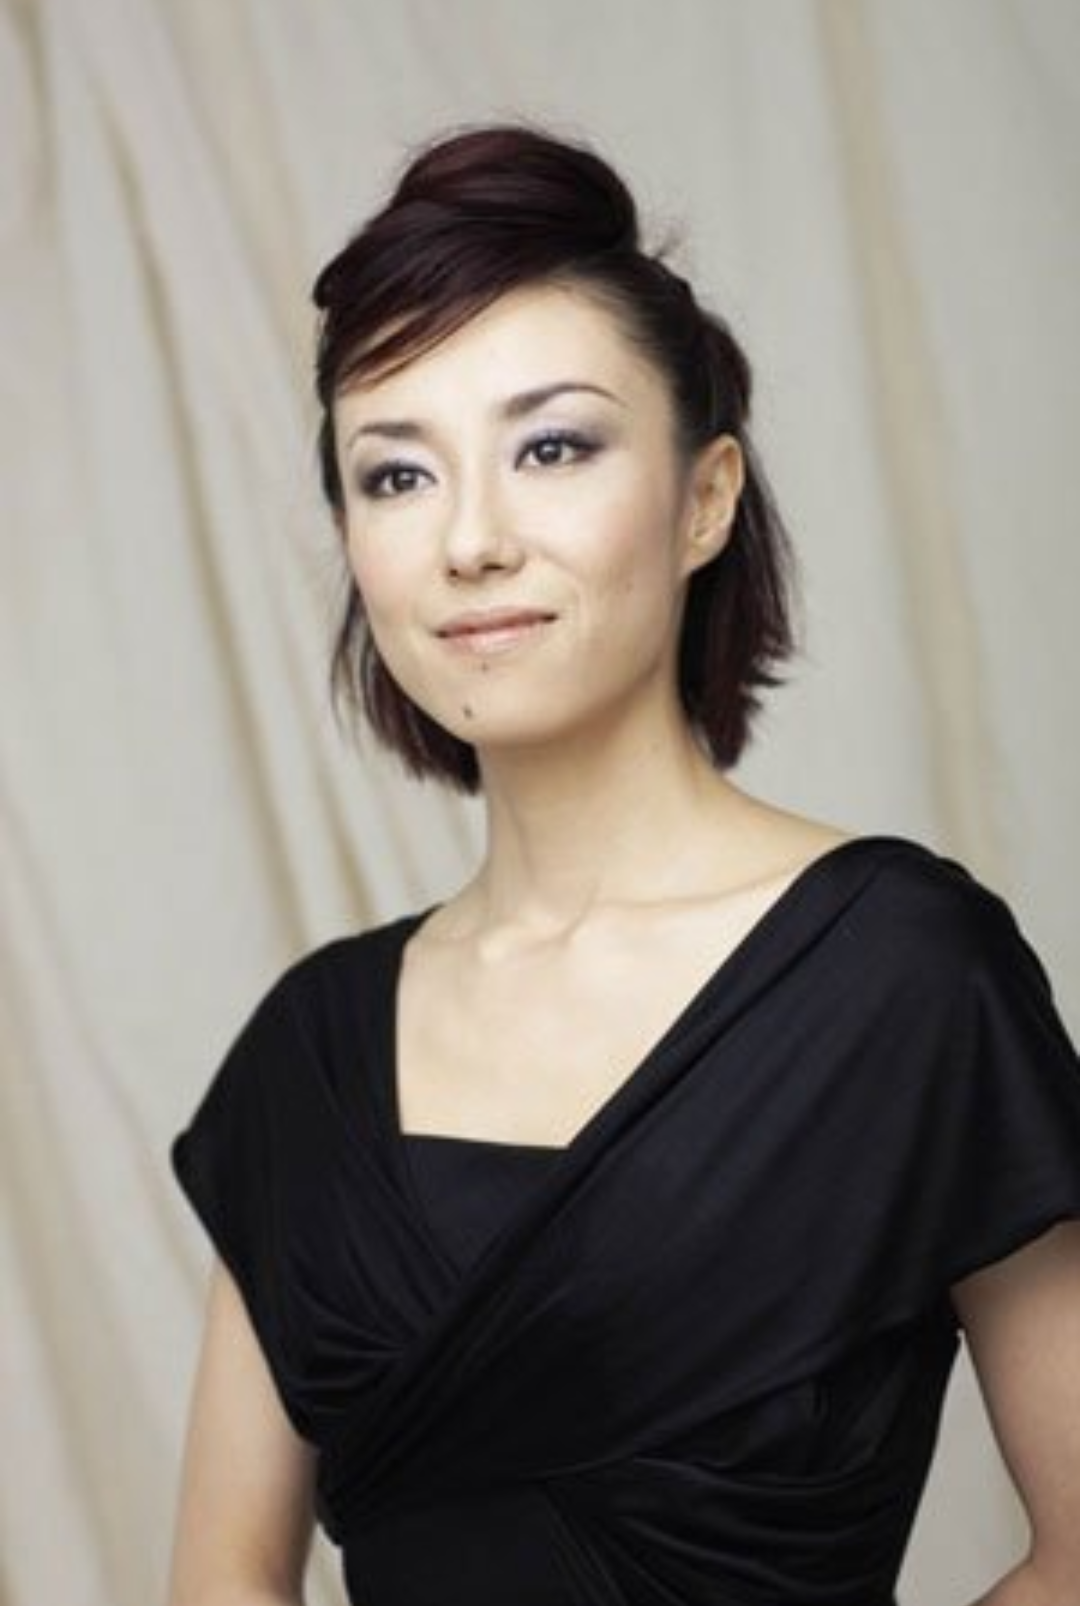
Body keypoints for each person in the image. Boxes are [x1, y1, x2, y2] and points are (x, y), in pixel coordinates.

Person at [166, 122, 1080, 1606]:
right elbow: (221, 1578)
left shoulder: (902, 974)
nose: (470, 540)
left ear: (705, 497)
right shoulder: (309, 1053)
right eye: (394, 475)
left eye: (551, 447)